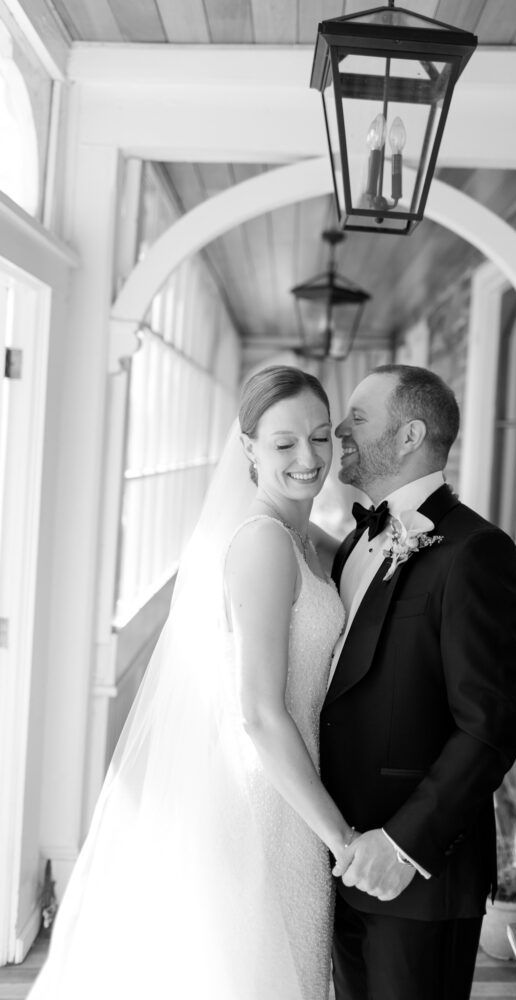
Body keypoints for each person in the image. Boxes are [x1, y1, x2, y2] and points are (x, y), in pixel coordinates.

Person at [29, 365, 354, 1000]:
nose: (308, 458)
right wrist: (340, 838)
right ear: (249, 450)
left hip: (293, 792)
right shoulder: (263, 542)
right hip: (265, 800)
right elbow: (258, 712)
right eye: (284, 443)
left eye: (320, 437)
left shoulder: (302, 534)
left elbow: (357, 561)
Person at [321, 364, 516, 1000]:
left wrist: (403, 844)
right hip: (342, 856)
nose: (339, 429)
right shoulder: (357, 540)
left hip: (419, 874)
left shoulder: (476, 552)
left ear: (410, 434)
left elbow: (489, 728)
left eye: (358, 417)